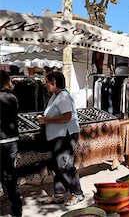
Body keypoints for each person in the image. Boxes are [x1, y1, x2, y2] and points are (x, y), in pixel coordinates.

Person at [37, 71, 84, 206]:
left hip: (65, 136)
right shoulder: (55, 96)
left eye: (47, 82)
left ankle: (78, 193)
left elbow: (67, 117)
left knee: (65, 165)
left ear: (54, 83)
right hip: (57, 137)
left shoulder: (63, 97)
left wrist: (46, 119)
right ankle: (59, 194)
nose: (45, 85)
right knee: (58, 166)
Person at [0, 71, 23, 217]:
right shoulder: (12, 97)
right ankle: (17, 208)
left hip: (2, 141)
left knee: (7, 175)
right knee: (10, 175)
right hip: (11, 140)